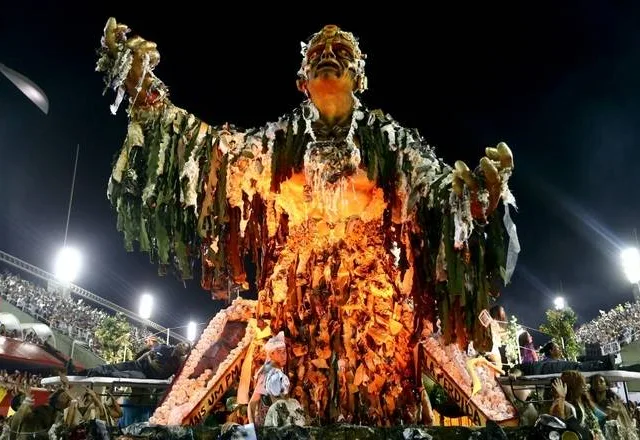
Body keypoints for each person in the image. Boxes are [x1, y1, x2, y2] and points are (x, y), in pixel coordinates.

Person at [97, 20, 517, 424]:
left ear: (359, 75)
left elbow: (437, 192)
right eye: (318, 53)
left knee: (380, 393)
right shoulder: (280, 141)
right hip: (294, 307)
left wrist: (476, 198)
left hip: (374, 316)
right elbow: (210, 156)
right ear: (301, 77)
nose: (328, 57)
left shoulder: (387, 141)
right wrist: (145, 92)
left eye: (340, 52)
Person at [71, 341, 190, 380]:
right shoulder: (165, 347)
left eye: (185, 346)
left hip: (145, 375)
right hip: (139, 365)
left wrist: (149, 359)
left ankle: (94, 373)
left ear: (185, 353)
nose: (181, 345)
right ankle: (82, 372)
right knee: (114, 366)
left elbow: (158, 370)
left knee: (118, 374)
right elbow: (149, 353)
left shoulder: (177, 363)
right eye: (182, 343)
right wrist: (137, 361)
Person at [550, 370, 605, 440]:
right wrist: (561, 397)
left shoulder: (581, 402)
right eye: (581, 383)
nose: (584, 386)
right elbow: (559, 427)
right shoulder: (561, 404)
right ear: (574, 386)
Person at [248, 332, 287, 427]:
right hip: (266, 429)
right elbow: (252, 404)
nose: (283, 356)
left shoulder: (278, 371)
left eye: (284, 352)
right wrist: (253, 430)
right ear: (271, 355)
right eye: (279, 352)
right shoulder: (268, 373)